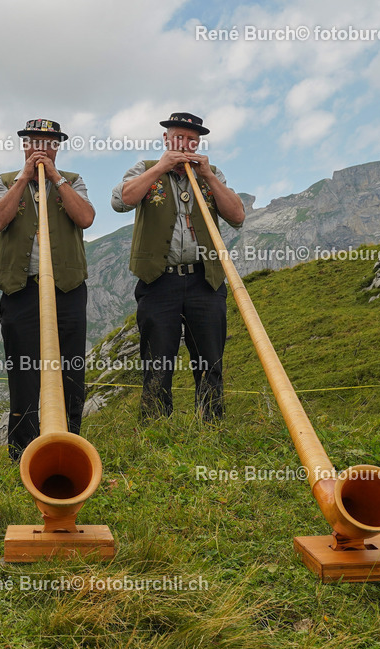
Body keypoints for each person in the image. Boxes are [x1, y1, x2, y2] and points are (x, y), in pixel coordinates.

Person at [111, 112, 245, 421]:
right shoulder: (145, 168)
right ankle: (157, 428)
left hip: (205, 280)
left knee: (210, 360)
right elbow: (120, 202)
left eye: (192, 140)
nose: (185, 144)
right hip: (159, 281)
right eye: (178, 138)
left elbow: (237, 217)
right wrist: (160, 167)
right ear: (166, 139)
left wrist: (209, 176)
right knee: (157, 360)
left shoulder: (212, 174)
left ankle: (212, 426)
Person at [0, 119, 95, 461]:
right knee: (23, 373)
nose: (41, 150)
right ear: (24, 145)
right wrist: (23, 178)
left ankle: (71, 448)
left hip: (67, 289)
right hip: (21, 290)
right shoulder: (4, 181)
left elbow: (86, 218)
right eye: (34, 142)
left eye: (49, 143)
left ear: (57, 147)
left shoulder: (73, 180)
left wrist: (56, 178)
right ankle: (23, 454)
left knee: (71, 371)